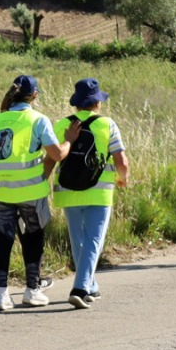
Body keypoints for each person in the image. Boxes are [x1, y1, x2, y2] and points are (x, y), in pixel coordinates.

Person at [0, 74, 69, 311]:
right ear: (34, 95)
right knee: (33, 238)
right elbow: (57, 154)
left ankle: (0, 294)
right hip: (30, 191)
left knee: (2, 240)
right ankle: (32, 290)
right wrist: (68, 141)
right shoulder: (38, 120)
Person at [53, 78, 130, 309]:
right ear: (97, 102)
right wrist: (122, 178)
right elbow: (121, 161)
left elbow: (54, 155)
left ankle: (91, 285)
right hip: (99, 192)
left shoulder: (61, 125)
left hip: (67, 190)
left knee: (79, 240)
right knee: (94, 241)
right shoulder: (107, 124)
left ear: (76, 103)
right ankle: (79, 288)